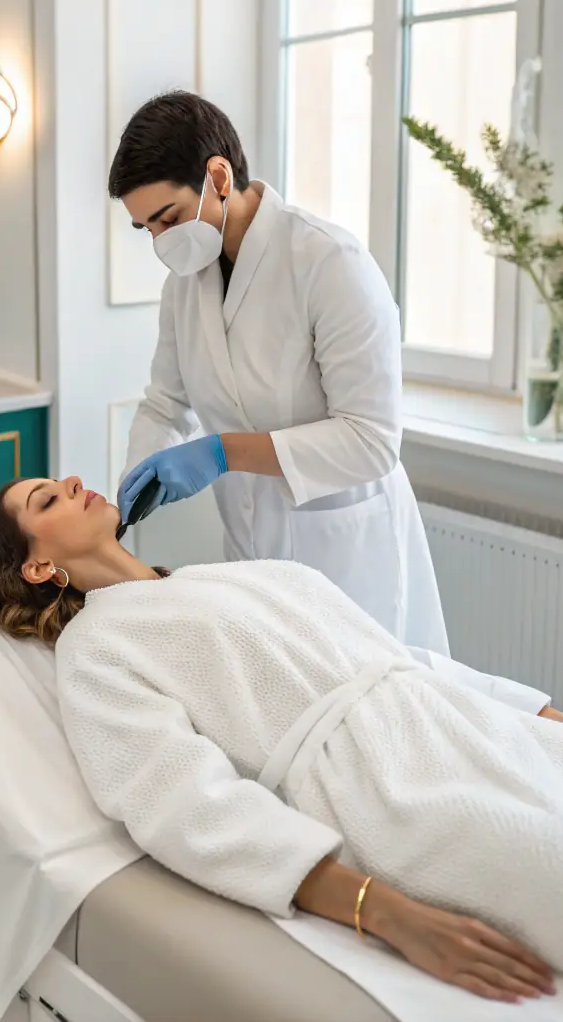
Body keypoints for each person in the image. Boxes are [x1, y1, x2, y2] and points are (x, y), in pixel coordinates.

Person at [0, 474, 563, 1005]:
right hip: (395, 791)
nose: (72, 481)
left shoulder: (244, 574)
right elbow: (184, 803)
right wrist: (385, 913)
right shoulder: (96, 647)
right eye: (46, 500)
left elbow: (414, 663)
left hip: (476, 730)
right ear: (38, 568)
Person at [109, 91, 448, 653]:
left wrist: (223, 452)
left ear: (219, 177)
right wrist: (132, 484)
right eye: (146, 229)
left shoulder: (329, 262)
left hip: (345, 556)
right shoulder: (184, 286)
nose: (161, 242)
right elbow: (166, 404)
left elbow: (372, 440)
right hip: (254, 555)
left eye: (168, 218)